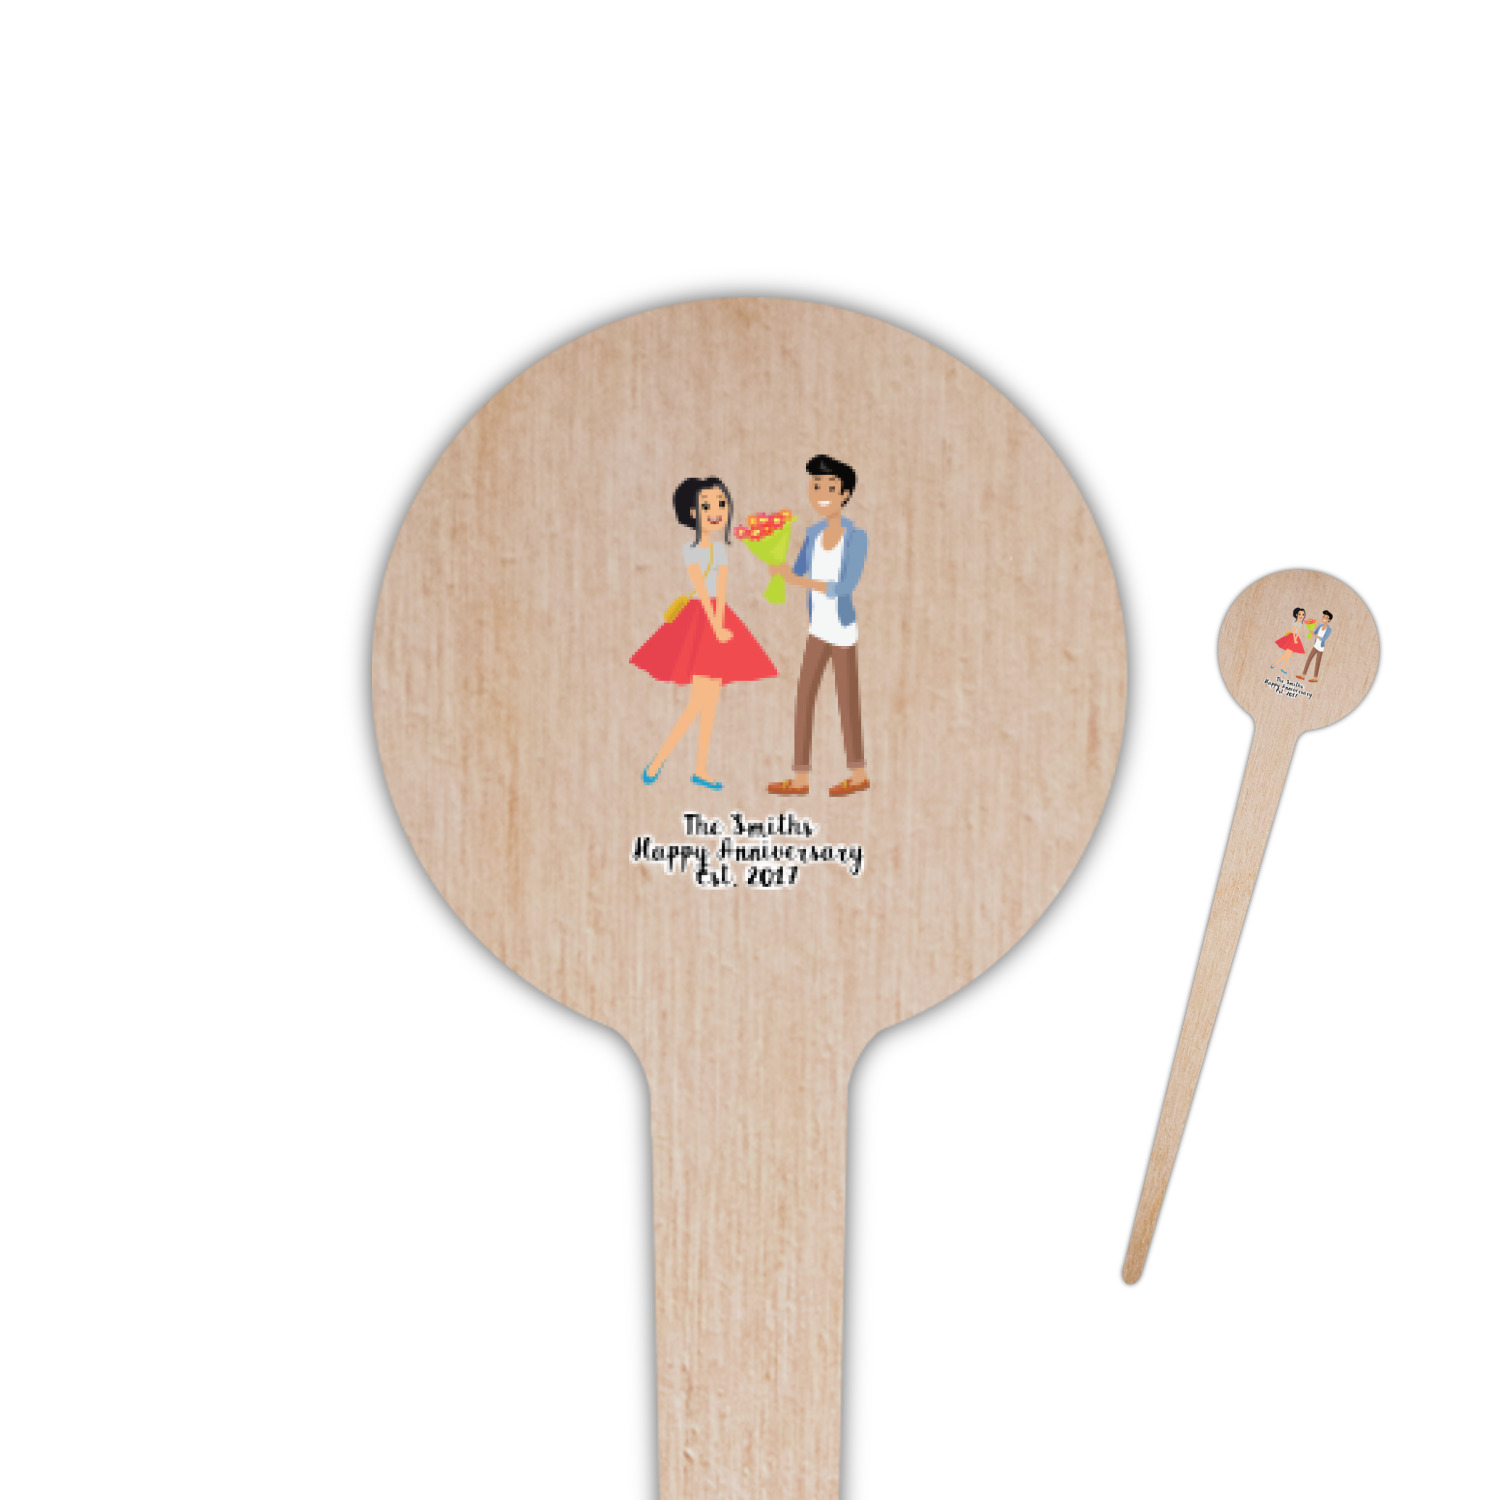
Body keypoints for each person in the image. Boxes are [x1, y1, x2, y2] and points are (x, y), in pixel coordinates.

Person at [630, 477, 776, 789]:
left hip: (717, 620)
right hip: (699, 623)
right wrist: (716, 626)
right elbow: (701, 588)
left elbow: (721, 590)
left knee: (709, 703)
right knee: (699, 702)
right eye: (707, 505)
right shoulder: (690, 550)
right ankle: (659, 760)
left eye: (721, 504)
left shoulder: (721, 549)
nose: (716, 511)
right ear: (693, 512)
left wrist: (721, 622)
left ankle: (700, 768)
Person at [765, 454, 870, 798]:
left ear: (845, 494)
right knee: (805, 695)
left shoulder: (856, 538)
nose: (821, 494)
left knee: (846, 699)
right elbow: (796, 570)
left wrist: (801, 582)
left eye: (830, 487)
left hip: (841, 629)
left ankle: (858, 773)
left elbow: (845, 585)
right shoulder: (812, 534)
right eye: (816, 486)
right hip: (818, 628)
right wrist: (775, 563)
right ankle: (800, 777)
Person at [1271, 608, 1311, 676]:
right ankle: (1275, 665)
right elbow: (1294, 630)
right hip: (1291, 638)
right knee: (1287, 655)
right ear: (1296, 614)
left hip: (1295, 638)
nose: (1301, 616)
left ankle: (1281, 667)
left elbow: (1298, 632)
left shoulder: (1300, 624)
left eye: (1303, 614)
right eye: (1300, 614)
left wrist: (1296, 638)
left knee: (1288, 655)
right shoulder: (1294, 622)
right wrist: (1295, 639)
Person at [1297, 610, 1332, 681]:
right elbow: (1315, 632)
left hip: (1320, 647)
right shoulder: (1320, 626)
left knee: (1317, 662)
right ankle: (1303, 675)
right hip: (1315, 645)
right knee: (1309, 659)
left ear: (1329, 620)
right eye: (1323, 616)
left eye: (1326, 617)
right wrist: (1311, 630)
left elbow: (1324, 638)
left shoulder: (1329, 629)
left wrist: (1316, 635)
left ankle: (1315, 678)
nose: (1324, 618)